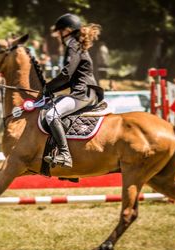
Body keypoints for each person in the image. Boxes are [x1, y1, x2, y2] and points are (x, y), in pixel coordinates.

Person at [43, 13, 104, 168]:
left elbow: (66, 74)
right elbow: (70, 79)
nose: (59, 36)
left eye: (61, 32)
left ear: (68, 30)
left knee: (51, 114)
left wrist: (47, 87)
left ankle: (65, 155)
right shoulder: (77, 44)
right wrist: (52, 90)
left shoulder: (73, 44)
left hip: (82, 92)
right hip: (85, 90)